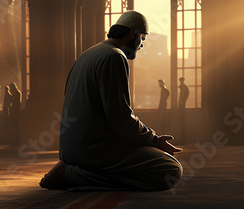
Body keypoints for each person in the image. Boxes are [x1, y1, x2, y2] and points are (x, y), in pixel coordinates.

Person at [40, 10, 183, 191]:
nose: (141, 46)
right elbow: (120, 119)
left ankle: (72, 166)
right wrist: (153, 140)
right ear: (133, 34)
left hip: (71, 148)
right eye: (143, 39)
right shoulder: (114, 57)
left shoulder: (88, 54)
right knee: (169, 170)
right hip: (94, 149)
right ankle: (74, 175)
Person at [177, 77, 189, 142]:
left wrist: (180, 103)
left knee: (181, 123)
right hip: (182, 107)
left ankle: (182, 139)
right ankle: (182, 139)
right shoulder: (184, 88)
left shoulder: (183, 89)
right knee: (181, 123)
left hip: (181, 108)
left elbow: (182, 97)